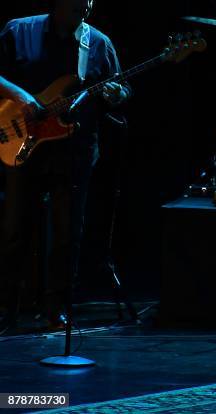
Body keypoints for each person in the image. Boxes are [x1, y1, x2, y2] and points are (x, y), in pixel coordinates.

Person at [0, 0, 130, 332]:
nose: (85, 7)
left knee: (67, 232)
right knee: (16, 228)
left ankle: (55, 310)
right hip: (23, 141)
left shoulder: (98, 43)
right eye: (76, 1)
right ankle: (7, 309)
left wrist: (117, 94)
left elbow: (119, 87)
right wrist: (23, 98)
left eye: (89, 1)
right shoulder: (19, 30)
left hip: (75, 147)